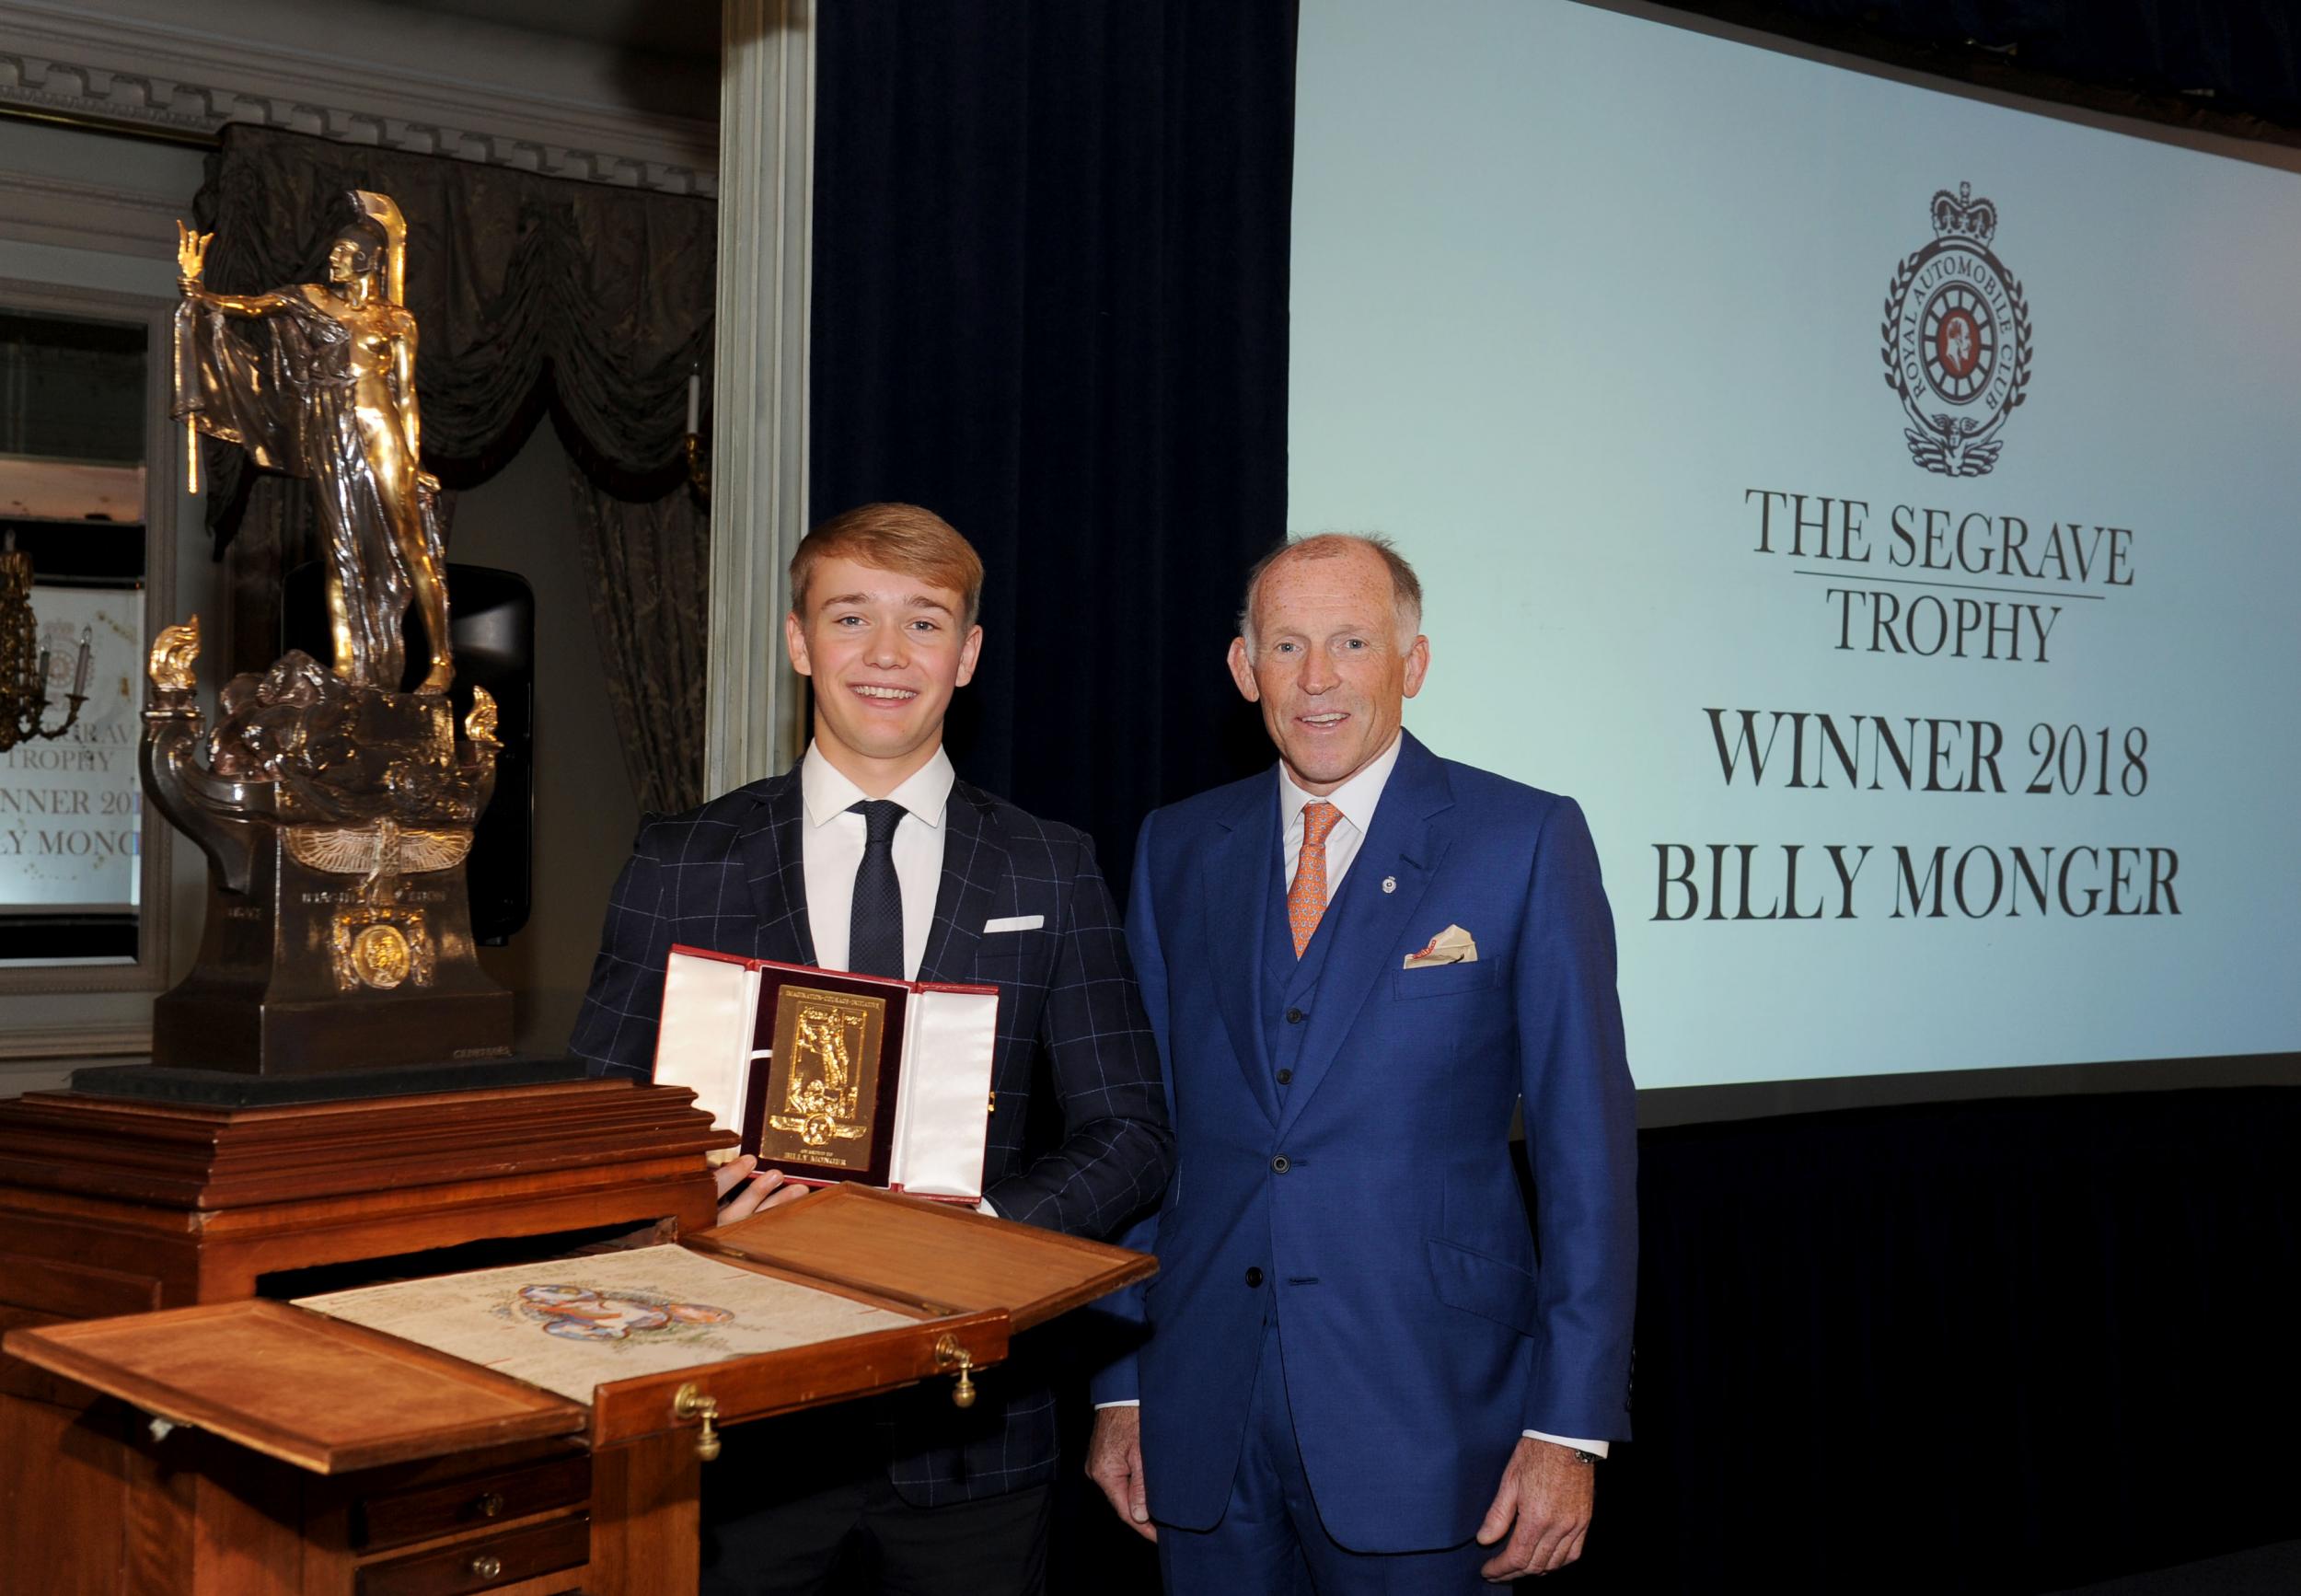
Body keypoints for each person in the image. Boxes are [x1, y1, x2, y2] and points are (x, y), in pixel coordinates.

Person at [571, 502, 1173, 1596]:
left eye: (925, 622)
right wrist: (683, 1208)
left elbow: (1130, 1131)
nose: (887, 656)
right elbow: (593, 1121)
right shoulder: (681, 860)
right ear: (800, 641)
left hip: (974, 1438)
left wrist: (979, 1237)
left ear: (968, 654)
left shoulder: (1049, 866)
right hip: (734, 1422)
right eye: (851, 618)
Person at [1085, 533, 1636, 1589]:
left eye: (1350, 642)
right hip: (1199, 1418)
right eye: (1286, 646)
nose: (1318, 679)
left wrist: (1569, 1427)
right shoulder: (1177, 846)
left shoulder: (1522, 839)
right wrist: (1121, 1388)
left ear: (1411, 664)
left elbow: (1587, 1158)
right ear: (1244, 670)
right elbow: (1140, 1138)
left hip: (1432, 1418)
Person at [174, 192, 452, 694]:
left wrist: (414, 462)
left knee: (410, 544)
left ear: (368, 259)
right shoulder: (309, 299)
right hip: (330, 431)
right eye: (335, 251)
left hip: (381, 428)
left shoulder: (396, 320)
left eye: (346, 252)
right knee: (341, 549)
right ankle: (347, 664)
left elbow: (406, 397)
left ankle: (440, 659)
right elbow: (249, 307)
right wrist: (197, 289)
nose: (335, 258)